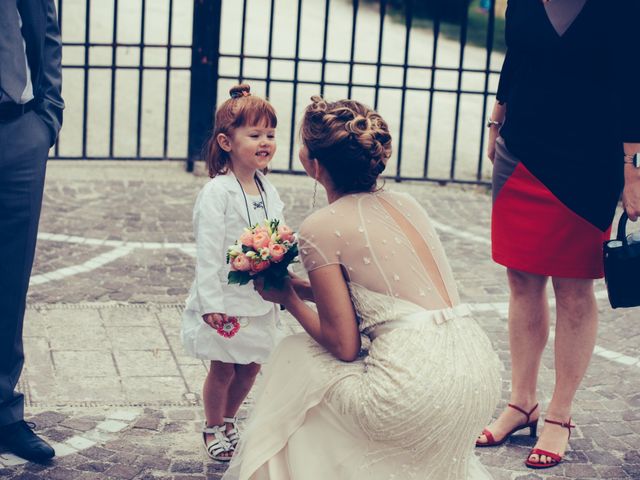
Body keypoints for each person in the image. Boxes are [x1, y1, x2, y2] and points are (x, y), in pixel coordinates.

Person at [221, 97, 502, 480]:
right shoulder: (407, 203)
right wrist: (299, 286)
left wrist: (285, 297)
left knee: (295, 356)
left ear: (313, 163)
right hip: (478, 374)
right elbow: (382, 300)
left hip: (418, 388)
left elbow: (344, 344)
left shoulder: (321, 226)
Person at [476, 0, 640, 470]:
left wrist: (633, 169)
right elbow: (515, 58)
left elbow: (633, 84)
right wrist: (496, 120)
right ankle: (522, 401)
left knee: (573, 287)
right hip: (520, 150)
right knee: (521, 280)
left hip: (588, 161)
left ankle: (559, 414)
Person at [181, 84, 286, 462]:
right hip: (226, 299)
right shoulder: (217, 192)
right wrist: (211, 302)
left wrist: (281, 281)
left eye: (271, 135)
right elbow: (208, 252)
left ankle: (230, 418)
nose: (265, 142)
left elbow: (278, 235)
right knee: (223, 366)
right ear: (226, 141)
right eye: (255, 135)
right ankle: (212, 424)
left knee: (252, 364)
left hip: (259, 298)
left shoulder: (267, 188)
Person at [0, 0, 64, 463]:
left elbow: (44, 31)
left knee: (8, 283)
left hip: (18, 132)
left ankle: (3, 412)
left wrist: (46, 119)